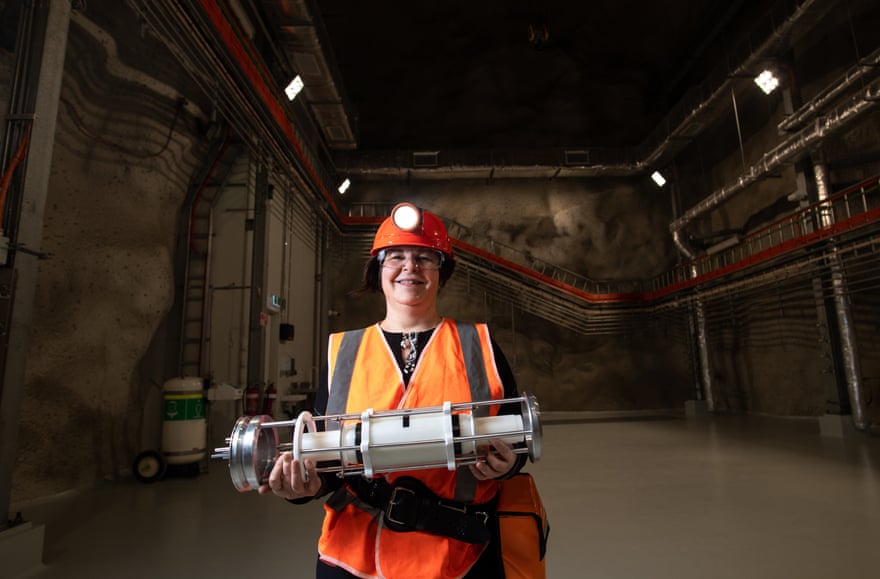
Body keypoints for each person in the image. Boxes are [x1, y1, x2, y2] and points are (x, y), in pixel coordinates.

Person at [259, 202, 526, 578]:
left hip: (459, 554)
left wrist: (507, 464)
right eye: (395, 256)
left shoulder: (478, 345)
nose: (410, 267)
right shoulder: (345, 352)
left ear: (441, 271)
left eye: (425, 258)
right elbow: (326, 463)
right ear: (378, 270)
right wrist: (303, 487)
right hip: (353, 554)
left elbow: (517, 437)